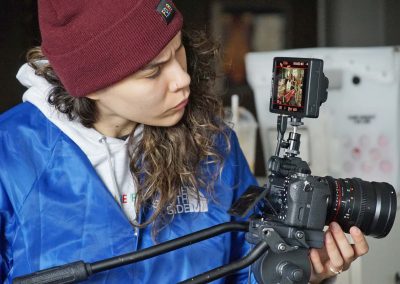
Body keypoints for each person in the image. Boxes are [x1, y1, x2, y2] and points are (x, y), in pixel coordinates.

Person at [0, 0, 369, 283]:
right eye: (153, 71)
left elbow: (246, 265)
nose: (182, 78)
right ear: (91, 85)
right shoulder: (10, 157)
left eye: (177, 50)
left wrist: (298, 272)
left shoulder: (213, 143)